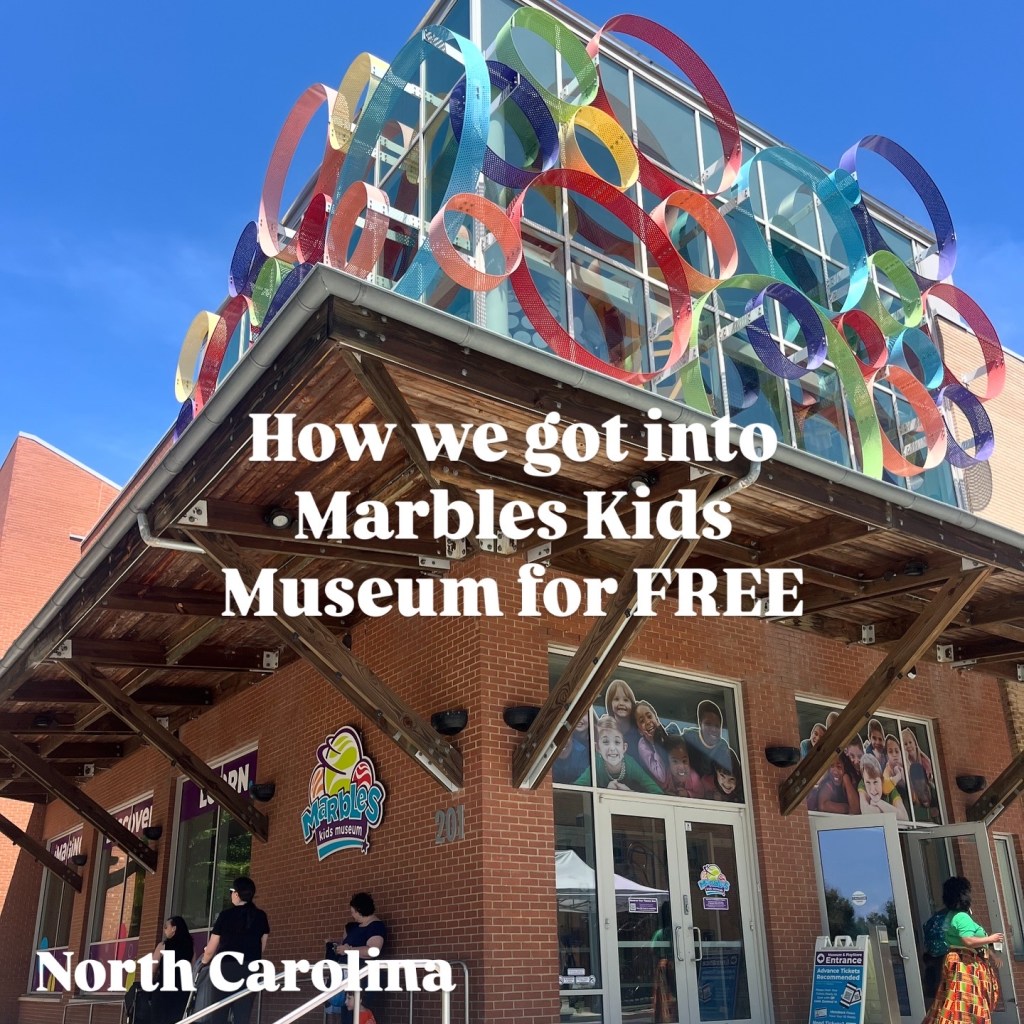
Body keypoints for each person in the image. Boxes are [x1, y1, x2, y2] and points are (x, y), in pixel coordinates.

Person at [922, 876, 1002, 1023]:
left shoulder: (950, 915)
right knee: (968, 1006)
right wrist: (991, 939)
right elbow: (968, 940)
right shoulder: (962, 917)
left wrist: (992, 953)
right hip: (966, 966)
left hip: (957, 963)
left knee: (954, 1004)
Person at [195, 877, 270, 1024]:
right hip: (250, 969)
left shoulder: (225, 915)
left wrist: (203, 962)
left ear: (236, 894)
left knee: (219, 1014)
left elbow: (210, 950)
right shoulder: (261, 916)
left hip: (226, 968)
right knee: (243, 1016)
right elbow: (262, 946)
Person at [325, 893, 387, 1022]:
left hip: (363, 980)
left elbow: (373, 950)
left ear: (360, 910)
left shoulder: (376, 926)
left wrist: (349, 950)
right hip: (348, 979)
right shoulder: (354, 927)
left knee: (358, 1017)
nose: (352, 915)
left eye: (353, 912)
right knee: (347, 1016)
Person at [574, 715, 660, 792]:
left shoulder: (630, 764)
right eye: (606, 742)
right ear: (598, 748)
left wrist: (630, 792)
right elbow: (576, 788)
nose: (612, 748)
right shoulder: (596, 763)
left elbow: (655, 790)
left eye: (617, 742)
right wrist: (606, 792)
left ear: (624, 748)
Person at [149, 916, 194, 1024]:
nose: (164, 929)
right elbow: (192, 969)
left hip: (164, 991)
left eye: (166, 927)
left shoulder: (163, 946)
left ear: (174, 928)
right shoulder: (190, 947)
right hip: (182, 992)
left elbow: (152, 969)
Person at [681, 700, 731, 781]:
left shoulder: (723, 748)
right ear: (700, 724)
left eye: (717, 726)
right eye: (708, 724)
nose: (713, 729)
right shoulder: (688, 738)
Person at [857, 753, 909, 820]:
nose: (873, 790)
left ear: (882, 780)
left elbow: (905, 818)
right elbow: (866, 812)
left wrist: (878, 802)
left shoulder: (890, 787)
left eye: (875, 782)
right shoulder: (862, 784)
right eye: (868, 783)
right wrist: (892, 812)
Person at [634, 700, 669, 787]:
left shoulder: (667, 734)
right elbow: (661, 777)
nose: (648, 722)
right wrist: (654, 743)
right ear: (639, 731)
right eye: (642, 721)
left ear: (657, 719)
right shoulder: (643, 745)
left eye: (649, 716)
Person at [604, 679, 639, 755]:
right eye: (616, 699)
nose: (621, 703)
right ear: (610, 704)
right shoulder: (605, 729)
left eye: (626, 700)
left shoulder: (639, 730)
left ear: (632, 704)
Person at [552, 715, 591, 784]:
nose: (563, 742)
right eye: (558, 737)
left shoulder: (582, 752)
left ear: (572, 735)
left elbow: (583, 782)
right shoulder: (548, 754)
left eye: (566, 737)